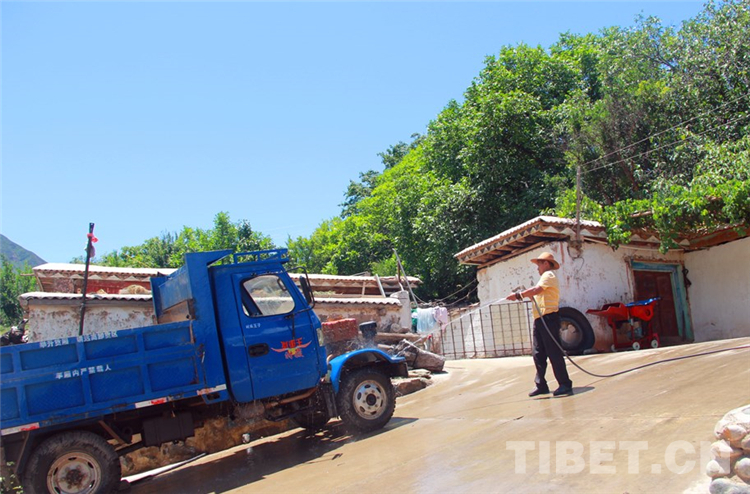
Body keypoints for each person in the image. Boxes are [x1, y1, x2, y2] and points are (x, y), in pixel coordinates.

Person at [506, 252, 573, 397]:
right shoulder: (544, 278)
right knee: (538, 353)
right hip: (540, 319)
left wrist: (519, 295)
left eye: (539, 264)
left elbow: (537, 290)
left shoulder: (549, 275)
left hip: (549, 318)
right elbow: (537, 294)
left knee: (553, 352)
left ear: (546, 264)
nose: (537, 268)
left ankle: (565, 384)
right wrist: (526, 295)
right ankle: (541, 384)